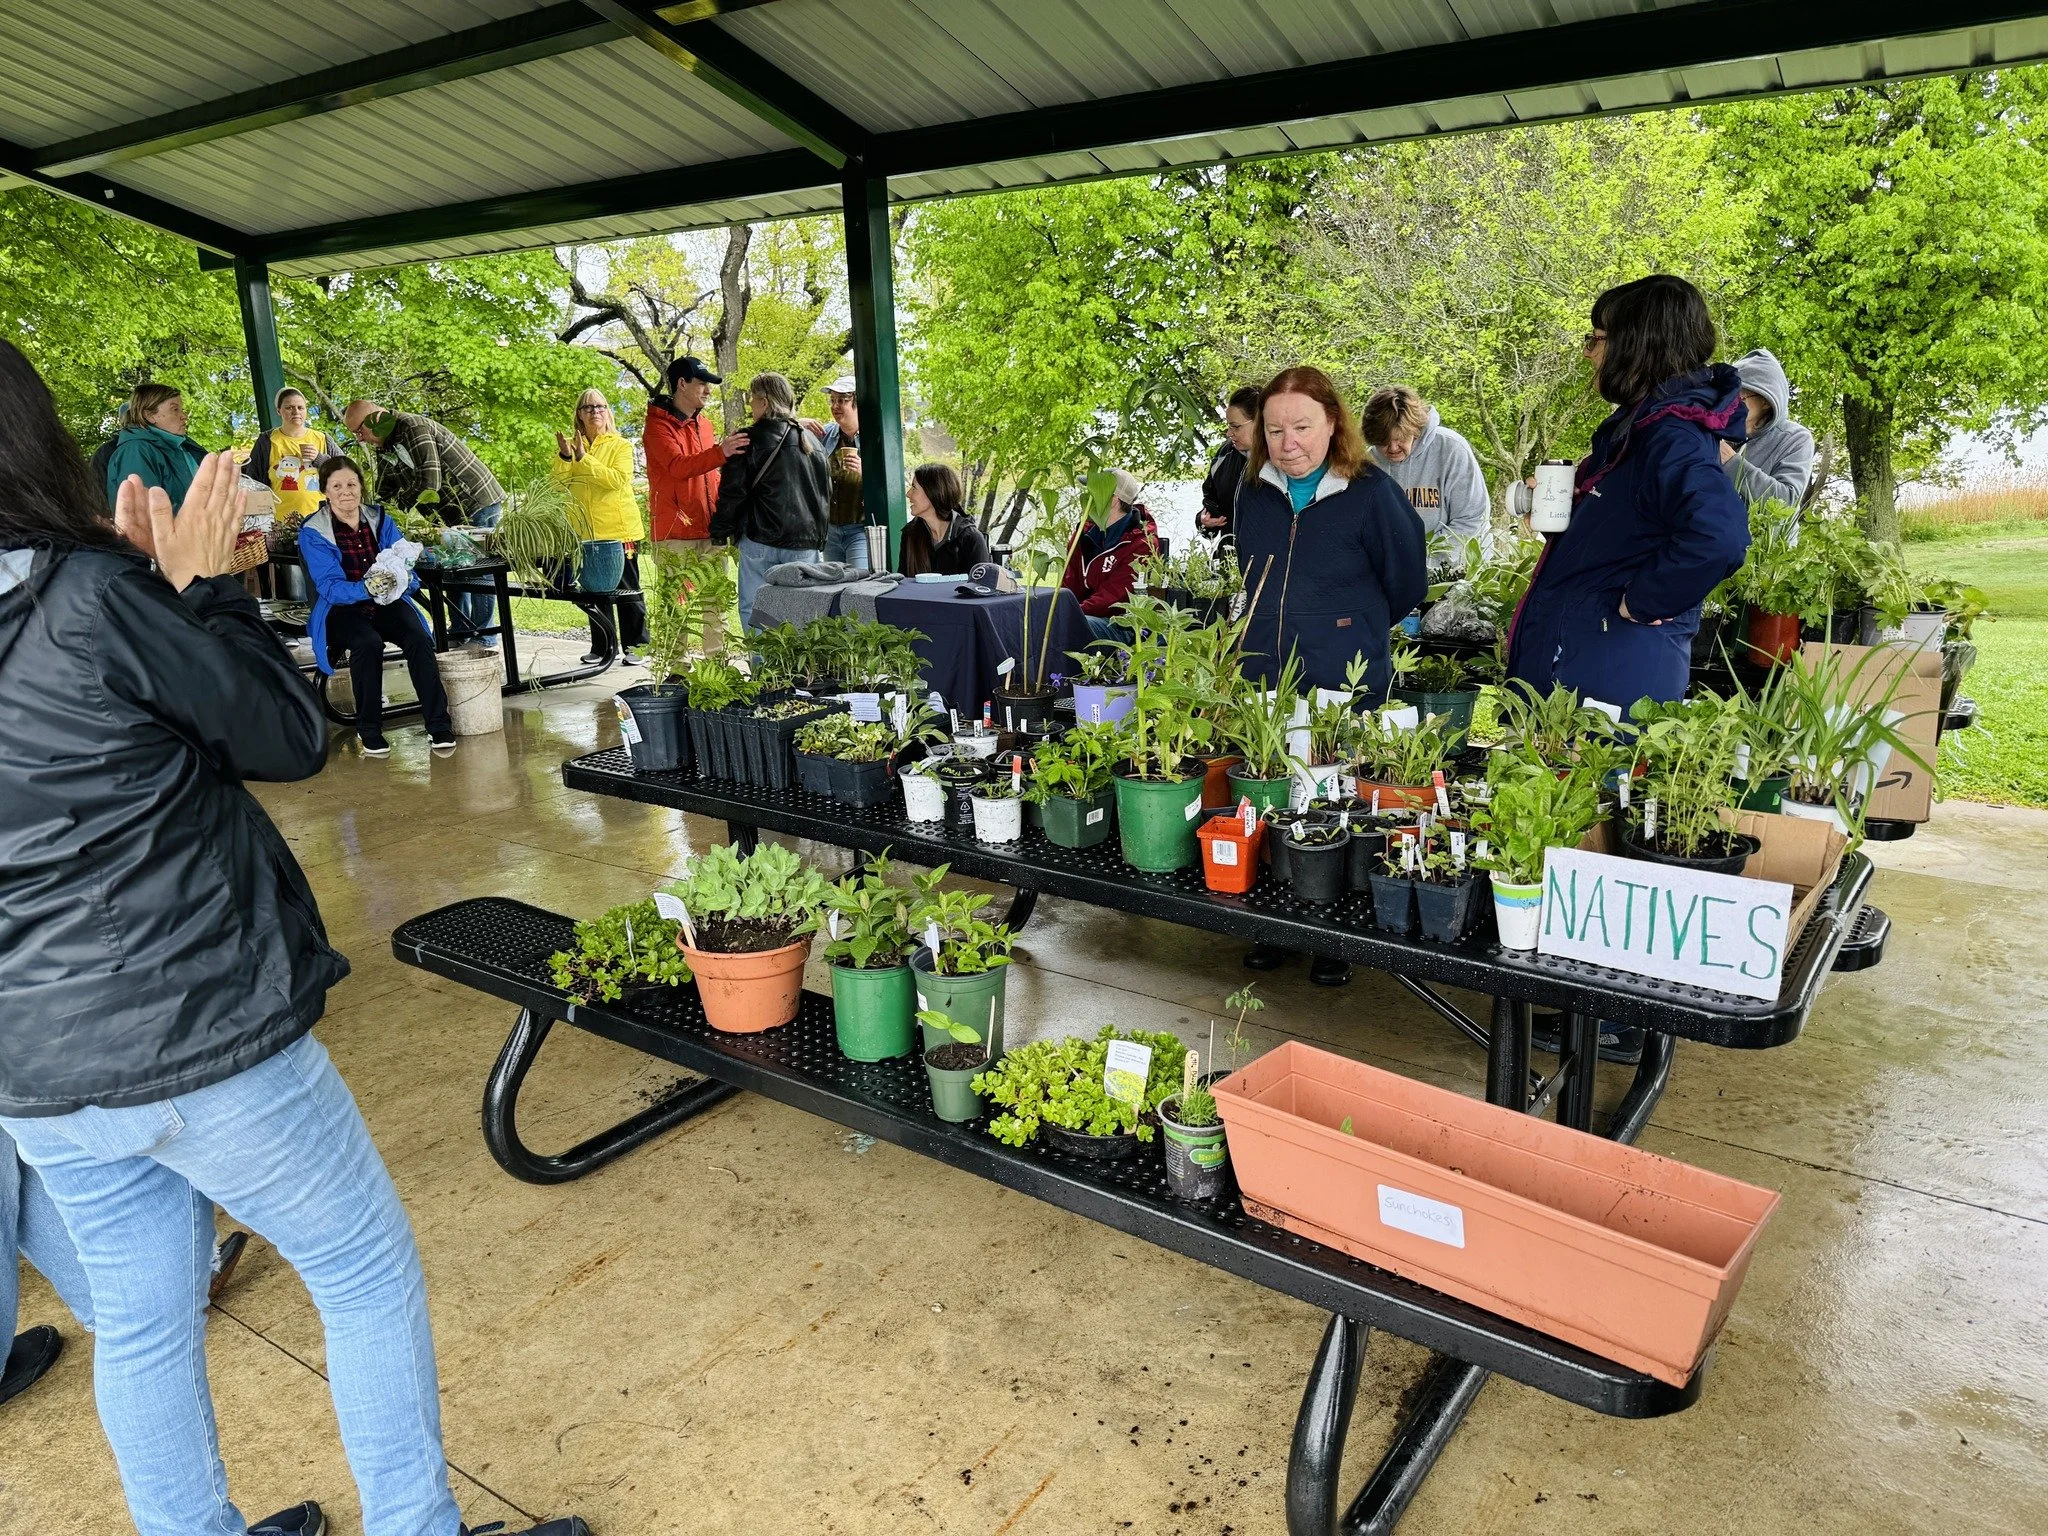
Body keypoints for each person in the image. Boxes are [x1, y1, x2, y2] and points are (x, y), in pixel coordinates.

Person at [0, 339, 588, 1536]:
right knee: (361, 1268)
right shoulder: (86, 603)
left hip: (35, 1063)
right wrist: (202, 588)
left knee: (144, 1322)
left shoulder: (88, 598)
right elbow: (282, 735)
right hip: (195, 1026)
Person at [1235, 366, 1428, 990]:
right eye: (1275, 430)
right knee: (1274, 795)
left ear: (1333, 424)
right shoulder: (1252, 491)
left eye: (1302, 427)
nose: (1288, 443)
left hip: (1343, 673)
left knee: (1336, 801)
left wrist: (1349, 624)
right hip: (1267, 670)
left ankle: (1333, 933)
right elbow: (1250, 569)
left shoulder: (1370, 492)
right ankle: (1273, 921)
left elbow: (1407, 581)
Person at [1505, 274, 1750, 713]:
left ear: (1637, 344)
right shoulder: (1635, 431)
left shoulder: (1671, 438)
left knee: (1595, 763)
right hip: (1585, 667)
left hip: (1608, 683)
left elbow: (1720, 537)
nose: (1588, 352)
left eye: (1597, 338)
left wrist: (1643, 602)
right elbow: (1626, 534)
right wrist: (1568, 510)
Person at [299, 455, 456, 755]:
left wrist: (403, 579)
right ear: (325, 491)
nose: (345, 492)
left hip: (385, 600)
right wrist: (365, 587)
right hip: (340, 609)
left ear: (361, 486)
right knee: (367, 643)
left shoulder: (380, 518)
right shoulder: (314, 531)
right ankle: (369, 729)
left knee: (419, 639)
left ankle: (439, 725)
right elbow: (328, 587)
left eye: (351, 484)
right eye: (336, 486)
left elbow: (402, 558)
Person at [341, 400, 505, 645]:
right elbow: (386, 487)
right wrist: (373, 516)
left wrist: (402, 507)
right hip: (449, 514)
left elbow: (430, 481)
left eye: (359, 431)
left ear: (375, 418)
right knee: (453, 571)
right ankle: (459, 632)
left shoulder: (412, 427)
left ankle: (485, 637)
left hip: (475, 500)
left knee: (478, 571)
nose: (360, 439)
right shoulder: (385, 443)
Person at [711, 371, 829, 627]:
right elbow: (824, 494)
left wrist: (720, 531)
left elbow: (732, 492)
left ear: (764, 402)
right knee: (801, 614)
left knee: (756, 610)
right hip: (804, 542)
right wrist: (819, 539)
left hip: (759, 539)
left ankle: (761, 656)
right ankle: (796, 656)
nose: (750, 405)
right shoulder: (812, 441)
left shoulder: (746, 439)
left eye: (752, 398)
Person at [554, 389, 648, 666]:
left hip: (620, 531)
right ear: (579, 415)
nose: (595, 411)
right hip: (585, 533)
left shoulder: (621, 445)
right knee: (593, 591)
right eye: (588, 407)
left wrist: (584, 459)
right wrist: (565, 457)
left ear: (608, 412)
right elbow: (558, 485)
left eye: (600, 407)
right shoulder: (570, 446)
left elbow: (616, 480)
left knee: (627, 589)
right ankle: (604, 646)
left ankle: (637, 647)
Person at [1361, 385, 1492, 566]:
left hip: (1459, 568)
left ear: (1416, 430)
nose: (1392, 448)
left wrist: (1422, 563)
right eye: (1383, 442)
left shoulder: (1451, 449)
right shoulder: (1367, 464)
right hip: (1393, 572)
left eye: (1400, 439)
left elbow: (1471, 519)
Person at [645, 354, 739, 554]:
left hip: (712, 532)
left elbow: (710, 474)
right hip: (675, 535)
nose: (708, 391)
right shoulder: (657, 426)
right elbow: (678, 466)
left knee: (717, 579)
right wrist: (721, 452)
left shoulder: (705, 425)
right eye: (702, 384)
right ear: (682, 384)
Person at [1061, 469, 1159, 640]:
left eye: (1094, 492)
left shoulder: (1143, 544)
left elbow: (1114, 597)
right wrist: (1055, 610)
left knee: (1068, 626)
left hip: (1122, 624)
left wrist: (1069, 615)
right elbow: (1068, 585)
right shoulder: (1083, 534)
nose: (1087, 497)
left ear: (1113, 500)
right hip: (1083, 615)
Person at [1723, 348, 1815, 508]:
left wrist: (1731, 462)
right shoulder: (1714, 429)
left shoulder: (1795, 439)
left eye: (1738, 398)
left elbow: (1785, 503)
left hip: (1756, 526)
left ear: (1766, 401)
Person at [245, 387, 345, 526]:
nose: (296, 412)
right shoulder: (266, 441)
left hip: (322, 522)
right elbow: (253, 483)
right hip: (279, 525)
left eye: (300, 407)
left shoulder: (322, 438)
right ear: (278, 410)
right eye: (289, 407)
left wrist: (320, 459)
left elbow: (347, 472)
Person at [103, 382, 208, 510]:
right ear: (149, 415)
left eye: (182, 410)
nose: (184, 416)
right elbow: (144, 512)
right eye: (175, 409)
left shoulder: (183, 446)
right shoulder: (136, 451)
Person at [816, 375, 872, 570]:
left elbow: (889, 486)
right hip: (830, 530)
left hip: (859, 529)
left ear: (857, 402)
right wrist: (802, 423)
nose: (835, 406)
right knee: (835, 583)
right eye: (832, 400)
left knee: (860, 581)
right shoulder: (826, 434)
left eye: (842, 400)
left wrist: (866, 472)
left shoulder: (874, 437)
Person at [898, 463, 989, 576]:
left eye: (914, 488)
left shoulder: (971, 538)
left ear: (933, 492)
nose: (908, 494)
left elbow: (982, 584)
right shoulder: (910, 534)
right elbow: (903, 582)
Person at [1197, 386, 1261, 541]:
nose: (1229, 433)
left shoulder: (1286, 459)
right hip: (1228, 552)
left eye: (1235, 426)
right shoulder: (1224, 455)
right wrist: (1204, 522)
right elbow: (1211, 503)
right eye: (1228, 426)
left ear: (1259, 422)